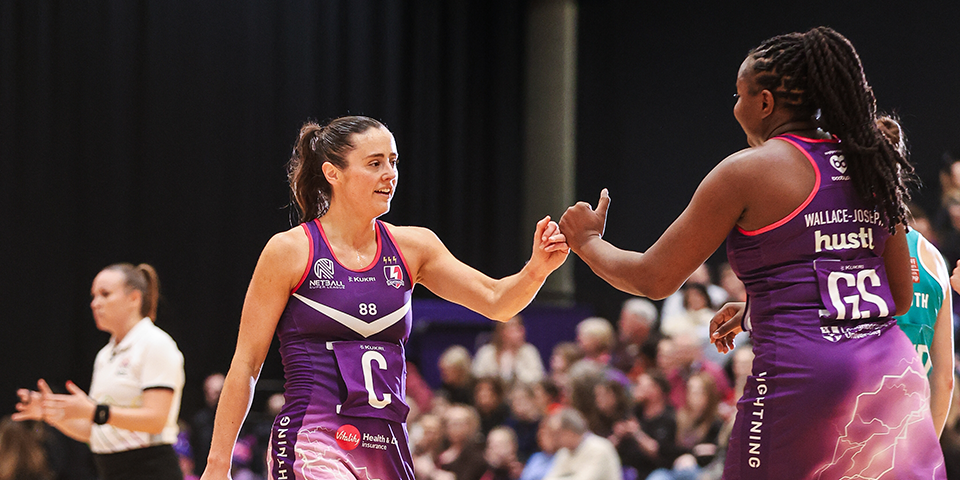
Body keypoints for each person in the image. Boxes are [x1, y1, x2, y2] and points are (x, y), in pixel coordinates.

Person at [559, 26, 946, 479]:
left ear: (765, 103)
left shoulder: (748, 172)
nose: (735, 107)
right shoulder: (869, 160)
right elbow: (895, 299)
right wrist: (756, 309)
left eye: (739, 95)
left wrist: (586, 243)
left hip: (804, 379)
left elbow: (654, 279)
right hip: (888, 377)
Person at [200, 116, 568, 480]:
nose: (389, 174)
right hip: (313, 441)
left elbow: (496, 300)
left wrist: (537, 268)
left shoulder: (414, 246)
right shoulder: (290, 250)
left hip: (385, 444)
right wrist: (218, 464)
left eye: (393, 162)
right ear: (333, 173)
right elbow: (246, 363)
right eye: (375, 163)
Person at [13, 263, 185, 480]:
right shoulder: (105, 355)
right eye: (93, 296)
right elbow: (95, 431)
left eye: (105, 294)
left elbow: (156, 419)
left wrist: (96, 412)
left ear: (134, 298)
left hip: (149, 469)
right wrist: (52, 413)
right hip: (109, 469)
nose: (95, 304)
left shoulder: (155, 344)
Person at [878, 115, 955, 437]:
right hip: (911, 443)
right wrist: (927, 450)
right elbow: (945, 379)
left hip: (849, 442)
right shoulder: (933, 256)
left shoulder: (842, 246)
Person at [541, 408, 622, 480]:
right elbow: (550, 477)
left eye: (558, 434)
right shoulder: (564, 451)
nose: (555, 439)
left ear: (570, 432)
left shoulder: (600, 448)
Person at [472, 315, 545, 386]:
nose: (520, 331)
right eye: (513, 327)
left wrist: (517, 369)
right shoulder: (487, 352)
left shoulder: (529, 352)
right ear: (501, 331)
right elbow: (477, 377)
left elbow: (538, 378)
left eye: (520, 327)